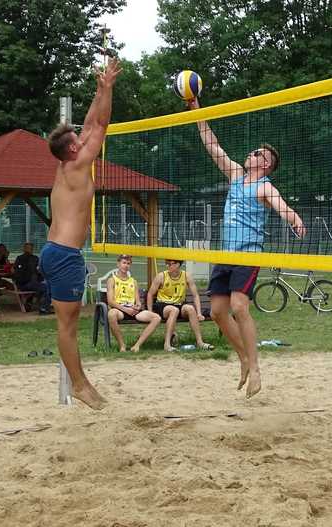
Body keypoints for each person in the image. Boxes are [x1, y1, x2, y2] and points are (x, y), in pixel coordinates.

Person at [188, 97, 306, 398]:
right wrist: (197, 111)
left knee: (239, 307)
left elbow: (282, 206)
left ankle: (254, 367)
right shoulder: (236, 176)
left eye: (257, 153)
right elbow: (212, 145)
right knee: (216, 312)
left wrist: (294, 220)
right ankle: (242, 357)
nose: (250, 154)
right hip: (225, 255)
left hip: (248, 253)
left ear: (265, 164)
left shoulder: (264, 186)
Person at [39, 57, 121, 410]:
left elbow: (90, 122)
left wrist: (100, 89)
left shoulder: (68, 161)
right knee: (68, 324)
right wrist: (109, 90)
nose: (82, 135)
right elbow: (100, 125)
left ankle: (79, 383)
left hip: (57, 251)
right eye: (77, 138)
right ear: (72, 148)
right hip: (64, 254)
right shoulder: (77, 164)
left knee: (68, 321)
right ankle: (80, 384)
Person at [146, 259, 214, 353]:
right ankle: (167, 344)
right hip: (163, 305)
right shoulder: (161, 276)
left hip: (179, 304)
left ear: (178, 264)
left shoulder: (186, 275)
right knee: (173, 310)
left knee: (190, 308)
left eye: (171, 264)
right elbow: (150, 294)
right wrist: (150, 312)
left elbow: (195, 295)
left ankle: (200, 342)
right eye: (167, 264)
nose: (168, 266)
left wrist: (199, 313)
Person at [106, 255, 161, 353]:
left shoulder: (133, 281)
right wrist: (125, 309)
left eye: (128, 263)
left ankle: (137, 345)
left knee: (156, 318)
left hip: (133, 310)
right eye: (124, 263)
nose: (126, 266)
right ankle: (122, 345)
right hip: (120, 310)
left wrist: (138, 305)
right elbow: (110, 301)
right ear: (118, 264)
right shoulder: (112, 280)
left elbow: (138, 301)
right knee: (111, 314)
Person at [13, 242, 53, 315]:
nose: (29, 250)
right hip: (25, 284)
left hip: (34, 283)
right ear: (24, 249)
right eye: (27, 248)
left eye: (31, 248)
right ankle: (43, 308)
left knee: (48, 285)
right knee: (46, 287)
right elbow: (16, 272)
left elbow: (40, 270)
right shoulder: (20, 258)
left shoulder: (35, 258)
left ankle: (32, 303)